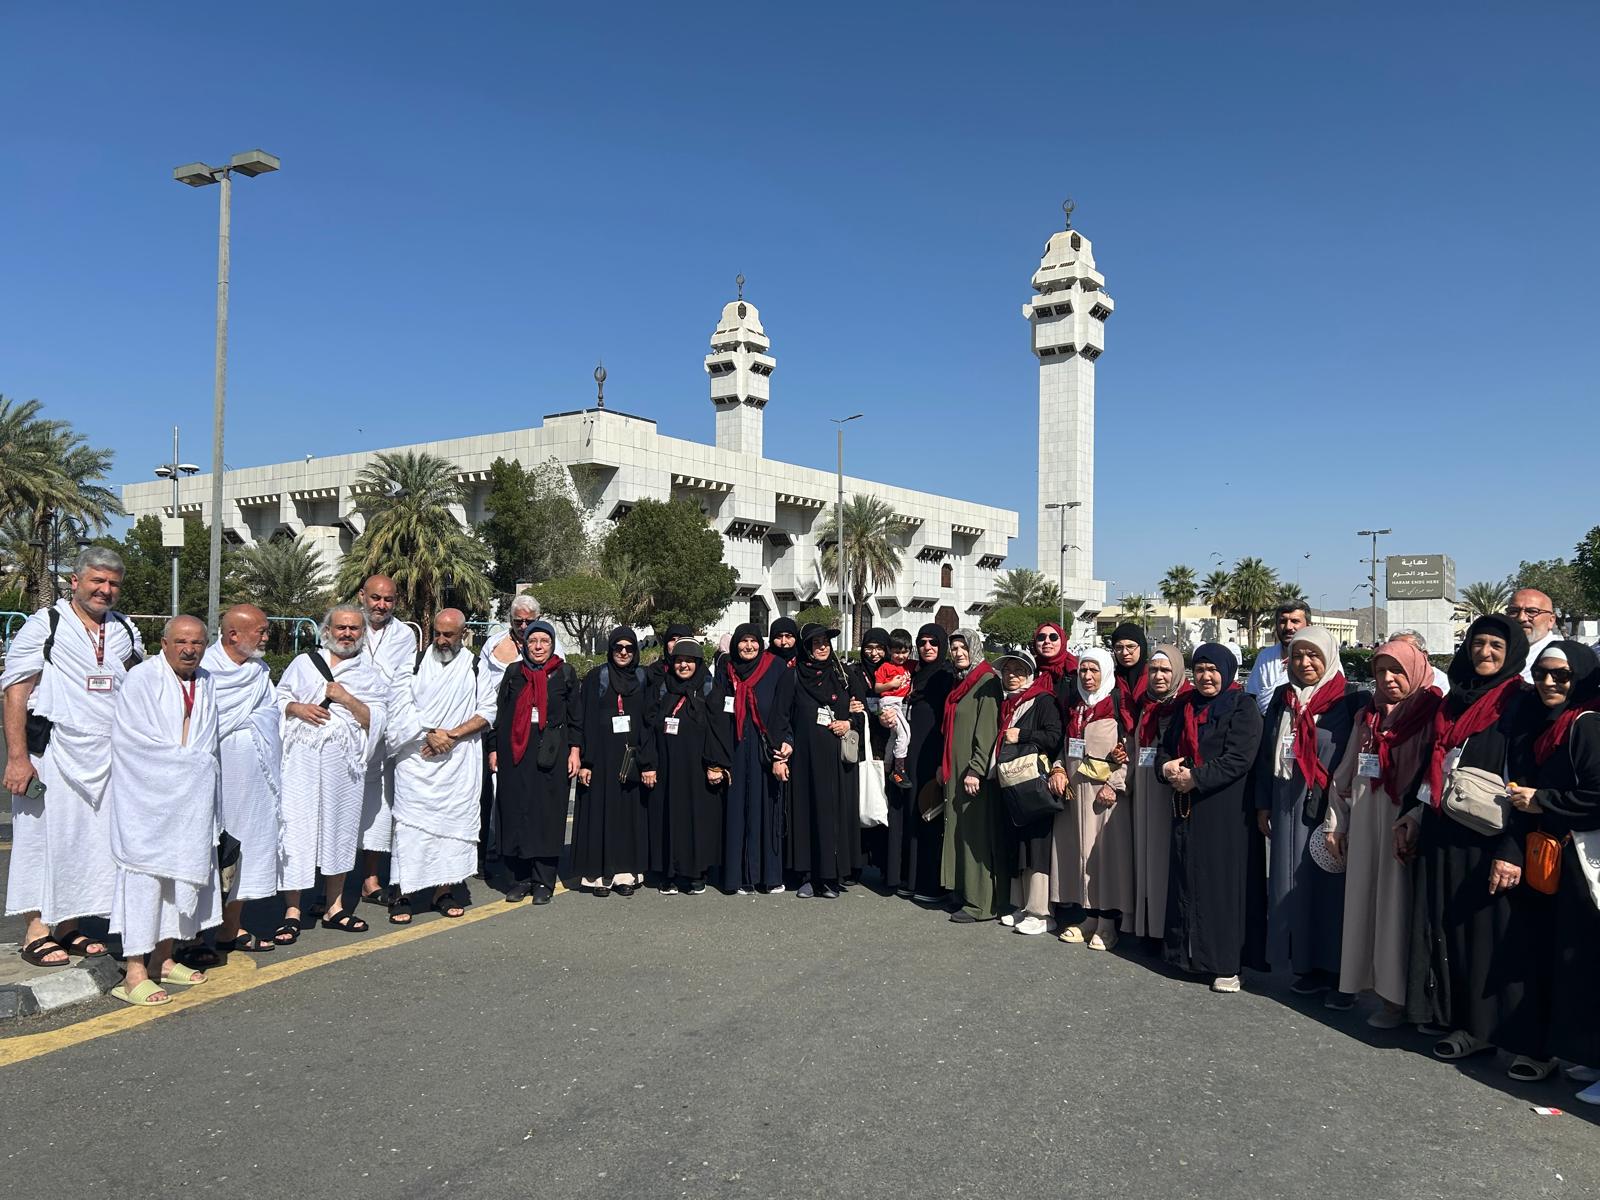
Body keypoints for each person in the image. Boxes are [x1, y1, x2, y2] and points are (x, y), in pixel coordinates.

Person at [1403, 614, 1539, 1062]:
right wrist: (1415, 816)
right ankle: (1457, 1019)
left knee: (1490, 937)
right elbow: (1434, 761)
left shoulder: (1520, 703)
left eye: (1496, 647)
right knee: (1448, 927)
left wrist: (1512, 849)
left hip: (1491, 836)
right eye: (1478, 644)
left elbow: (1526, 779)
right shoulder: (1453, 699)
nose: (1485, 653)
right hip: (1445, 829)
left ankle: (1496, 1032)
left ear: (1511, 653)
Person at [3, 546, 142, 967]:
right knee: (40, 839)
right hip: (52, 753)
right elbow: (15, 692)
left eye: (113, 583)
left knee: (89, 842)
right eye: (97, 581)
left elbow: (138, 690)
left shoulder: (124, 629)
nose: (105, 589)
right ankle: (36, 930)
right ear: (75, 582)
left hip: (108, 757)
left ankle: (69, 926)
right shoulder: (45, 625)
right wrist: (17, 757)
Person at [104, 616, 220, 1006]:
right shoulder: (142, 679)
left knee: (178, 876)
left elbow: (208, 741)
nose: (190, 649)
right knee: (145, 879)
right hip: (146, 802)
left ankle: (163, 959)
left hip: (189, 801)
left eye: (198, 642)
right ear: (164, 643)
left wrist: (196, 771)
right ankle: (134, 971)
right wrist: (189, 765)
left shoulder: (205, 681)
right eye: (182, 641)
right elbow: (133, 742)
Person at [1326, 637, 1441, 1027]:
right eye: (1381, 671)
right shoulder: (1368, 717)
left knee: (1398, 909)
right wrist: (1336, 822)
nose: (1389, 679)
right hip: (1364, 819)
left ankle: (1402, 1000)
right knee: (1366, 905)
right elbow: (1344, 773)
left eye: (1398, 670)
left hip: (1402, 823)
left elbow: (1434, 774)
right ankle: (1373, 989)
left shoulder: (1431, 714)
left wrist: (1417, 819)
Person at [1508, 640, 1600, 1098]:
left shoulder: (1586, 725)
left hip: (1585, 859)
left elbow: (1598, 796)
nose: (1548, 682)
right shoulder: (1551, 724)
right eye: (1542, 673)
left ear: (1580, 677)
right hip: (1561, 858)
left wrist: (1540, 799)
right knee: (1573, 959)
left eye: (1561, 675)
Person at [1252, 626, 1360, 1003]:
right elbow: (1268, 755)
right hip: (1286, 804)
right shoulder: (1284, 699)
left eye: (1313, 655)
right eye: (1298, 656)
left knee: (1329, 890)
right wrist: (1263, 802)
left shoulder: (1346, 700)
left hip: (1326, 808)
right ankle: (1307, 964)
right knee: (1290, 886)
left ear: (1329, 656)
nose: (1305, 663)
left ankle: (1338, 974)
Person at [275, 604, 389, 941]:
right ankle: (292, 910)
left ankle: (334, 906)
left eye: (355, 629)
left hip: (344, 767)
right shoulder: (302, 664)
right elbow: (278, 699)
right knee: (296, 828)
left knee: (339, 828)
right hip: (301, 764)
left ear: (363, 634)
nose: (347, 634)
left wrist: (346, 698)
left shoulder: (369, 673)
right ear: (327, 631)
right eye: (341, 628)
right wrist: (298, 708)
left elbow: (377, 721)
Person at [1159, 643, 1263, 992]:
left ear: (1228, 671)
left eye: (1213, 669)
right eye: (1200, 669)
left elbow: (1240, 758)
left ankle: (1225, 963)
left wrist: (1196, 778)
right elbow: (1166, 745)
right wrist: (1166, 766)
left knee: (1221, 885)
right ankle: (1186, 955)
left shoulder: (1242, 707)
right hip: (1186, 807)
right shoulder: (1186, 706)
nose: (1206, 676)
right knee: (1187, 876)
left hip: (1225, 810)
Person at [386, 609, 496, 924]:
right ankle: (403, 892)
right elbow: (398, 707)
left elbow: (488, 709)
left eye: (449, 635)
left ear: (463, 635)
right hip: (416, 760)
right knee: (409, 827)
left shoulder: (475, 665)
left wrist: (452, 735)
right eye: (437, 633)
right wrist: (429, 733)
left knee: (452, 828)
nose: (441, 640)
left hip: (458, 762)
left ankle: (443, 891)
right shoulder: (414, 663)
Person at [200, 604, 281, 956]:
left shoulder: (260, 671)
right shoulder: (203, 669)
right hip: (212, 772)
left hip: (254, 774)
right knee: (205, 849)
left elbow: (271, 712)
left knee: (246, 844)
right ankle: (191, 934)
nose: (267, 636)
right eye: (260, 631)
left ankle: (231, 928)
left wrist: (252, 723)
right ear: (233, 635)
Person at [1050, 647, 1133, 950]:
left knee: (1106, 858)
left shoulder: (1117, 706)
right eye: (1083, 670)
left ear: (1106, 672)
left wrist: (1115, 783)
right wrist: (1058, 768)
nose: (1087, 676)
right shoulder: (1075, 706)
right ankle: (1090, 917)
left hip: (1105, 798)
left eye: (1094, 670)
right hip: (1076, 794)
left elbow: (1132, 749)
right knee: (1081, 856)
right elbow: (1064, 745)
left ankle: (1109, 924)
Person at [492, 620, 577, 904]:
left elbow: (575, 718)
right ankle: (520, 878)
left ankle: (543, 880)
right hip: (515, 752)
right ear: (525, 645)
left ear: (552, 645)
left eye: (544, 641)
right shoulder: (514, 672)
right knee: (516, 812)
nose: (538, 647)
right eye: (533, 641)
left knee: (546, 816)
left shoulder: (564, 673)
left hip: (551, 753)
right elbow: (501, 713)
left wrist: (575, 751)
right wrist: (493, 748)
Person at [707, 623, 794, 895]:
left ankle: (768, 876)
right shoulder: (727, 669)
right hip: (734, 746)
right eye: (743, 641)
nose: (748, 646)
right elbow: (717, 711)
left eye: (753, 641)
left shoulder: (776, 667)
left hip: (765, 746)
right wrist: (717, 757)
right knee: (736, 811)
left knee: (765, 808)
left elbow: (783, 709)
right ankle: (739, 877)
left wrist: (784, 744)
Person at [782, 624, 864, 897]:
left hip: (836, 762)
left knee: (832, 817)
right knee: (805, 814)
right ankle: (806, 875)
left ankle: (830, 876)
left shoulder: (843, 675)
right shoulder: (793, 676)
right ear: (806, 647)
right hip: (804, 761)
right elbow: (782, 717)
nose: (822, 647)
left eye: (825, 642)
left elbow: (862, 712)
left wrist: (848, 722)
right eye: (816, 643)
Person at [571, 627, 654, 895]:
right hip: (601, 758)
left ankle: (624, 875)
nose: (623, 653)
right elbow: (585, 719)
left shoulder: (643, 678)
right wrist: (586, 761)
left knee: (628, 817)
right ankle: (599, 878)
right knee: (601, 814)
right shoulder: (598, 677)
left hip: (631, 757)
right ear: (610, 649)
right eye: (618, 647)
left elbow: (649, 721)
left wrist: (647, 761)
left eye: (629, 648)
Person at [356, 574, 419, 907]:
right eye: (375, 598)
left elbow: (406, 682)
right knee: (338, 804)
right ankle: (329, 888)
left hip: (386, 729)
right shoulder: (344, 625)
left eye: (388, 600)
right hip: (347, 728)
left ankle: (370, 879)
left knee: (381, 805)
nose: (381, 605)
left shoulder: (405, 635)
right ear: (362, 596)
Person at [991, 650, 1062, 936]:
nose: (1012, 675)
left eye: (1019, 670)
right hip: (1013, 782)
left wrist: (1022, 735)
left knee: (1038, 846)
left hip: (1034, 782)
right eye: (1007, 670)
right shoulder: (1008, 703)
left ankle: (1042, 911)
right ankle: (1022, 905)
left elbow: (1055, 736)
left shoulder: (1043, 700)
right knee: (1019, 844)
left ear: (1031, 674)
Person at [648, 639, 723, 894]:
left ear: (698, 663)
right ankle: (668, 873)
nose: (683, 665)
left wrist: (715, 764)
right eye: (679, 660)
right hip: (667, 765)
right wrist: (650, 764)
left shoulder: (709, 688)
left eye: (689, 661)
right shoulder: (662, 688)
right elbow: (648, 726)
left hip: (698, 768)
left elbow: (717, 728)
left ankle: (696, 873)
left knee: (696, 819)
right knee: (667, 818)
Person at [939, 628, 1004, 922]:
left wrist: (976, 769)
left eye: (963, 647)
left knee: (976, 835)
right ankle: (963, 893)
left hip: (972, 773)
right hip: (956, 771)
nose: (958, 653)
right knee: (959, 831)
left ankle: (982, 903)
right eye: (953, 648)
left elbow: (987, 731)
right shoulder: (962, 683)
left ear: (975, 647)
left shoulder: (986, 681)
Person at [885, 623, 952, 902]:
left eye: (933, 643)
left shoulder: (946, 676)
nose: (927, 647)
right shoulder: (914, 674)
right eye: (922, 642)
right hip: (911, 755)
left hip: (932, 756)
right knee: (910, 814)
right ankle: (907, 878)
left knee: (929, 816)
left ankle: (928, 884)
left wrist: (942, 762)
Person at [1131, 644, 1190, 943]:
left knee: (1163, 857)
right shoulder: (1145, 702)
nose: (1158, 675)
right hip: (1143, 788)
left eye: (1166, 670)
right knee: (1144, 854)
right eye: (1153, 670)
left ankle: (1162, 929)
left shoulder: (1184, 705)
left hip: (1168, 791)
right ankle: (1146, 925)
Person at [1244, 601, 1311, 714]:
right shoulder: (1266, 656)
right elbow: (1253, 697)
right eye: (1283, 621)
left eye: (1295, 621)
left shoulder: (1322, 657)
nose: (1288, 627)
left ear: (1308, 626)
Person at [873, 632, 914, 785]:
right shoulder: (885, 667)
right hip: (889, 703)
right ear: (889, 650)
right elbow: (877, 688)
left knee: (894, 736)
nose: (901, 656)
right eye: (897, 652)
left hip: (899, 703)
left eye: (904, 652)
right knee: (905, 733)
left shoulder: (909, 665)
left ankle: (887, 765)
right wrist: (891, 685)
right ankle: (899, 769)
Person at [1507, 588, 1560, 683]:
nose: (1521, 618)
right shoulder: (1496, 652)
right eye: (1513, 611)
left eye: (1532, 611)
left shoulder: (1561, 656)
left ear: (1551, 620)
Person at [1109, 622, 1149, 734]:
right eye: (1119, 647)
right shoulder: (1110, 681)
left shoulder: (1155, 678)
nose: (1125, 653)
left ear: (1142, 646)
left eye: (1130, 647)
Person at [1390, 629, 1450, 694]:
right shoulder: (1387, 678)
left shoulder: (1442, 684)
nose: (1397, 657)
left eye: (1406, 652)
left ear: (1424, 655)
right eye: (1392, 652)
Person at [1031, 621, 1078, 691]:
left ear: (1062, 641)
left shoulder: (1074, 668)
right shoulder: (1029, 668)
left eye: (1053, 637)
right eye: (1041, 637)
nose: (1047, 641)